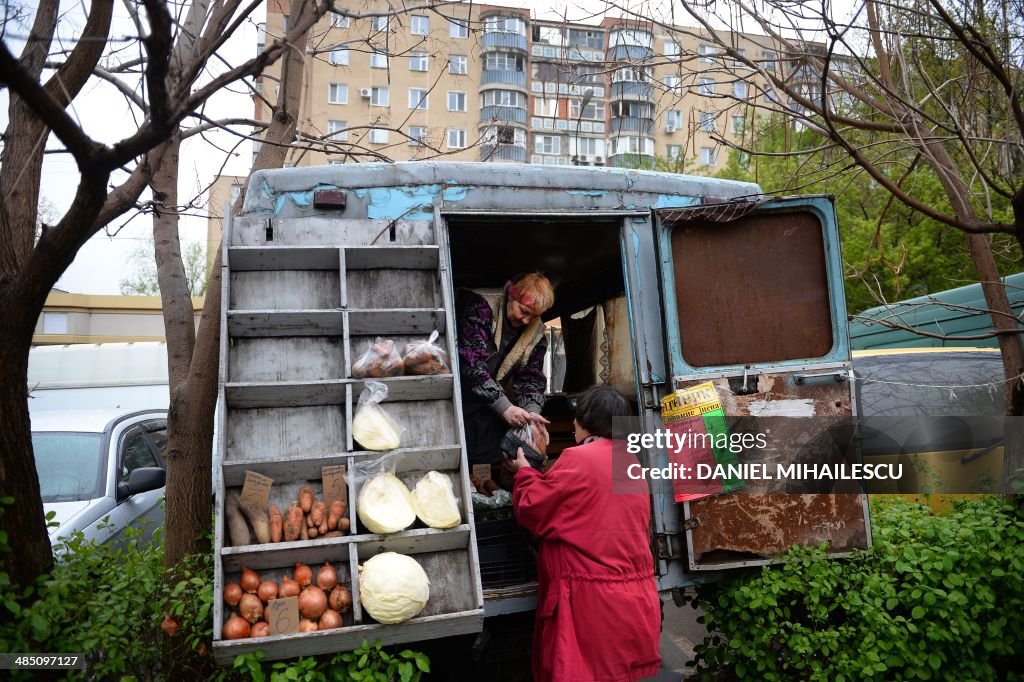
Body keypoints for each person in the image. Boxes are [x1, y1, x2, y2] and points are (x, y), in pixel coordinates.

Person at [509, 385, 662, 682]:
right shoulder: (630, 463)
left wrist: (525, 470)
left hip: (593, 605)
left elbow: (534, 509)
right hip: (634, 600)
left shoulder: (579, 458)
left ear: (583, 421)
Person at [455, 272, 554, 466]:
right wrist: (505, 407)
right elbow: (471, 363)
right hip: (460, 398)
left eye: (533, 316)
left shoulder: (536, 335)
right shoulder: (480, 307)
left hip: (490, 411)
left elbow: (531, 379)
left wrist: (531, 413)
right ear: (510, 294)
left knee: (487, 459)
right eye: (523, 311)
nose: (526, 321)